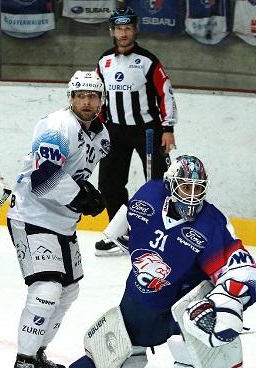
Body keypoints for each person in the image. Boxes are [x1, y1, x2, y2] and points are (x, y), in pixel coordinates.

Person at [67, 155, 256, 368]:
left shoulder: (211, 222)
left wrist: (228, 301)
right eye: (186, 187)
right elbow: (126, 225)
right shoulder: (149, 195)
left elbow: (242, 269)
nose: (192, 196)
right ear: (171, 186)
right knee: (105, 367)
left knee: (195, 348)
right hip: (139, 299)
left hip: (180, 308)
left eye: (198, 188)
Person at [6, 70, 109, 368]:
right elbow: (43, 179)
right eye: (80, 95)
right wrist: (80, 197)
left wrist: (85, 196)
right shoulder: (57, 127)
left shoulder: (101, 135)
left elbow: (75, 171)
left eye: (92, 96)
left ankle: (37, 353)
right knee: (47, 289)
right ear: (71, 98)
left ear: (101, 100)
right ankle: (23, 362)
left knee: (69, 291)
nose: (86, 101)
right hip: (32, 216)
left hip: (63, 222)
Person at [95, 6, 179, 256]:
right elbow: (99, 96)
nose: (123, 33)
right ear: (112, 31)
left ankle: (160, 234)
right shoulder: (104, 61)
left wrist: (168, 128)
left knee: (158, 184)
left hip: (148, 132)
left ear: (135, 30)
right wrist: (98, 127)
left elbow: (165, 94)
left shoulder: (148, 61)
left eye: (128, 28)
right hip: (114, 131)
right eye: (119, 29)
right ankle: (121, 234)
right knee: (109, 185)